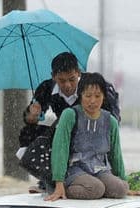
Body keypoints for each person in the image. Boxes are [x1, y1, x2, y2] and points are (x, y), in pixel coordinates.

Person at [18, 52, 120, 193]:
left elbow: (112, 121)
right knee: (27, 133)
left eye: (72, 79)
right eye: (62, 80)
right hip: (64, 132)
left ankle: (98, 174)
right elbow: (29, 119)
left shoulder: (93, 88)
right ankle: (48, 177)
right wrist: (32, 113)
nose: (67, 85)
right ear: (53, 76)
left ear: (78, 73)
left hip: (93, 133)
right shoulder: (46, 88)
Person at [44, 72, 131, 201]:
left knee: (121, 189)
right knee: (96, 189)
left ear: (104, 97)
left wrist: (124, 180)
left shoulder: (110, 121)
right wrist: (59, 183)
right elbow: (60, 149)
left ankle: (98, 185)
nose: (92, 101)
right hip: (74, 170)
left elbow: (116, 154)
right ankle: (56, 188)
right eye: (88, 96)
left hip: (100, 169)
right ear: (80, 95)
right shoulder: (70, 115)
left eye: (97, 96)